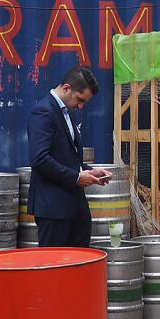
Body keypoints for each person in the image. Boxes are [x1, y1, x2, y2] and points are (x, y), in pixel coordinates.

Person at [28, 66, 112, 247]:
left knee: (80, 265)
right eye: (79, 100)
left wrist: (90, 171)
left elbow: (68, 158)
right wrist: (76, 178)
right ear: (67, 88)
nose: (81, 106)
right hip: (53, 210)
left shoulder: (66, 111)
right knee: (54, 268)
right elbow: (39, 159)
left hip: (75, 207)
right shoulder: (43, 112)